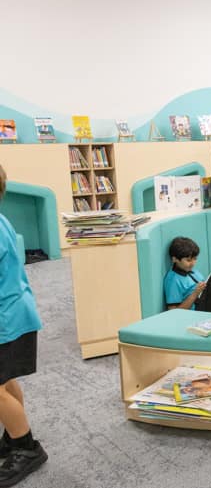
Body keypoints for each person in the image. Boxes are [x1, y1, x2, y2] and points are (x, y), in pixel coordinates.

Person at [0, 164, 48, 487]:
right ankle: (14, 436)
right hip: (16, 314)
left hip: (6, 318)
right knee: (4, 380)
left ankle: (27, 447)